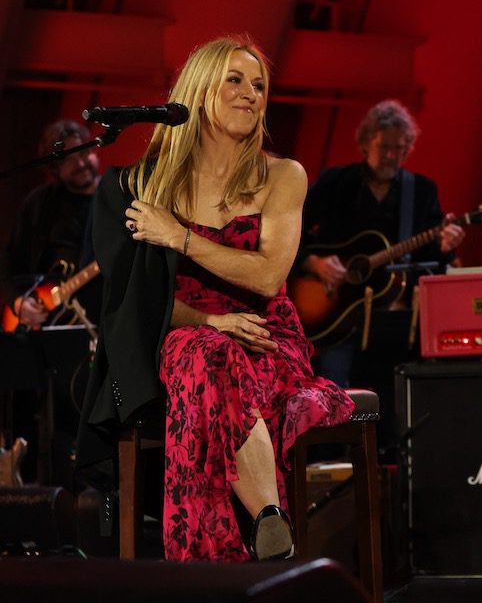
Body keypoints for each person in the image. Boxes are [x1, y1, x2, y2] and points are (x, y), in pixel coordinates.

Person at [79, 36, 353, 562]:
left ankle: (206, 564)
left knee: (204, 361)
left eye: (258, 86)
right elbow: (137, 299)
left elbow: (270, 277)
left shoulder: (282, 175)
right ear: (199, 89)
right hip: (181, 333)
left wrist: (180, 238)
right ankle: (267, 517)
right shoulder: (143, 185)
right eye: (235, 79)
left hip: (266, 338)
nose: (250, 94)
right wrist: (209, 320)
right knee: (201, 351)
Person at [297, 99, 463, 450]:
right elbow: (290, 234)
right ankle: (332, 467)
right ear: (365, 143)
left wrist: (447, 245)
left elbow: (431, 259)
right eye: (384, 147)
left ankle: (392, 473)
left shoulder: (421, 191)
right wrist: (316, 264)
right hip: (337, 316)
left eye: (400, 149)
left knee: (395, 410)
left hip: (393, 322)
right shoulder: (335, 183)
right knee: (333, 398)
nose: (391, 156)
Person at [2, 119, 100, 330]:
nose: (81, 164)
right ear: (55, 168)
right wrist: (17, 301)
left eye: (83, 152)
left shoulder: (114, 199)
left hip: (97, 318)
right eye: (69, 159)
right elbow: (8, 258)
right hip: (41, 323)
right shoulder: (40, 202)